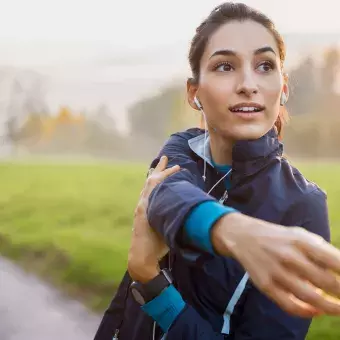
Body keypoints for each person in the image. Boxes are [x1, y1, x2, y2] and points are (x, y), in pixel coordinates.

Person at [94, 3, 340, 340]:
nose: (248, 84)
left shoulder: (303, 205)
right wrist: (234, 231)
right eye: (225, 66)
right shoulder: (183, 147)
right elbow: (166, 194)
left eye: (264, 66)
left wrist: (152, 284)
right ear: (195, 93)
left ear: (282, 87)